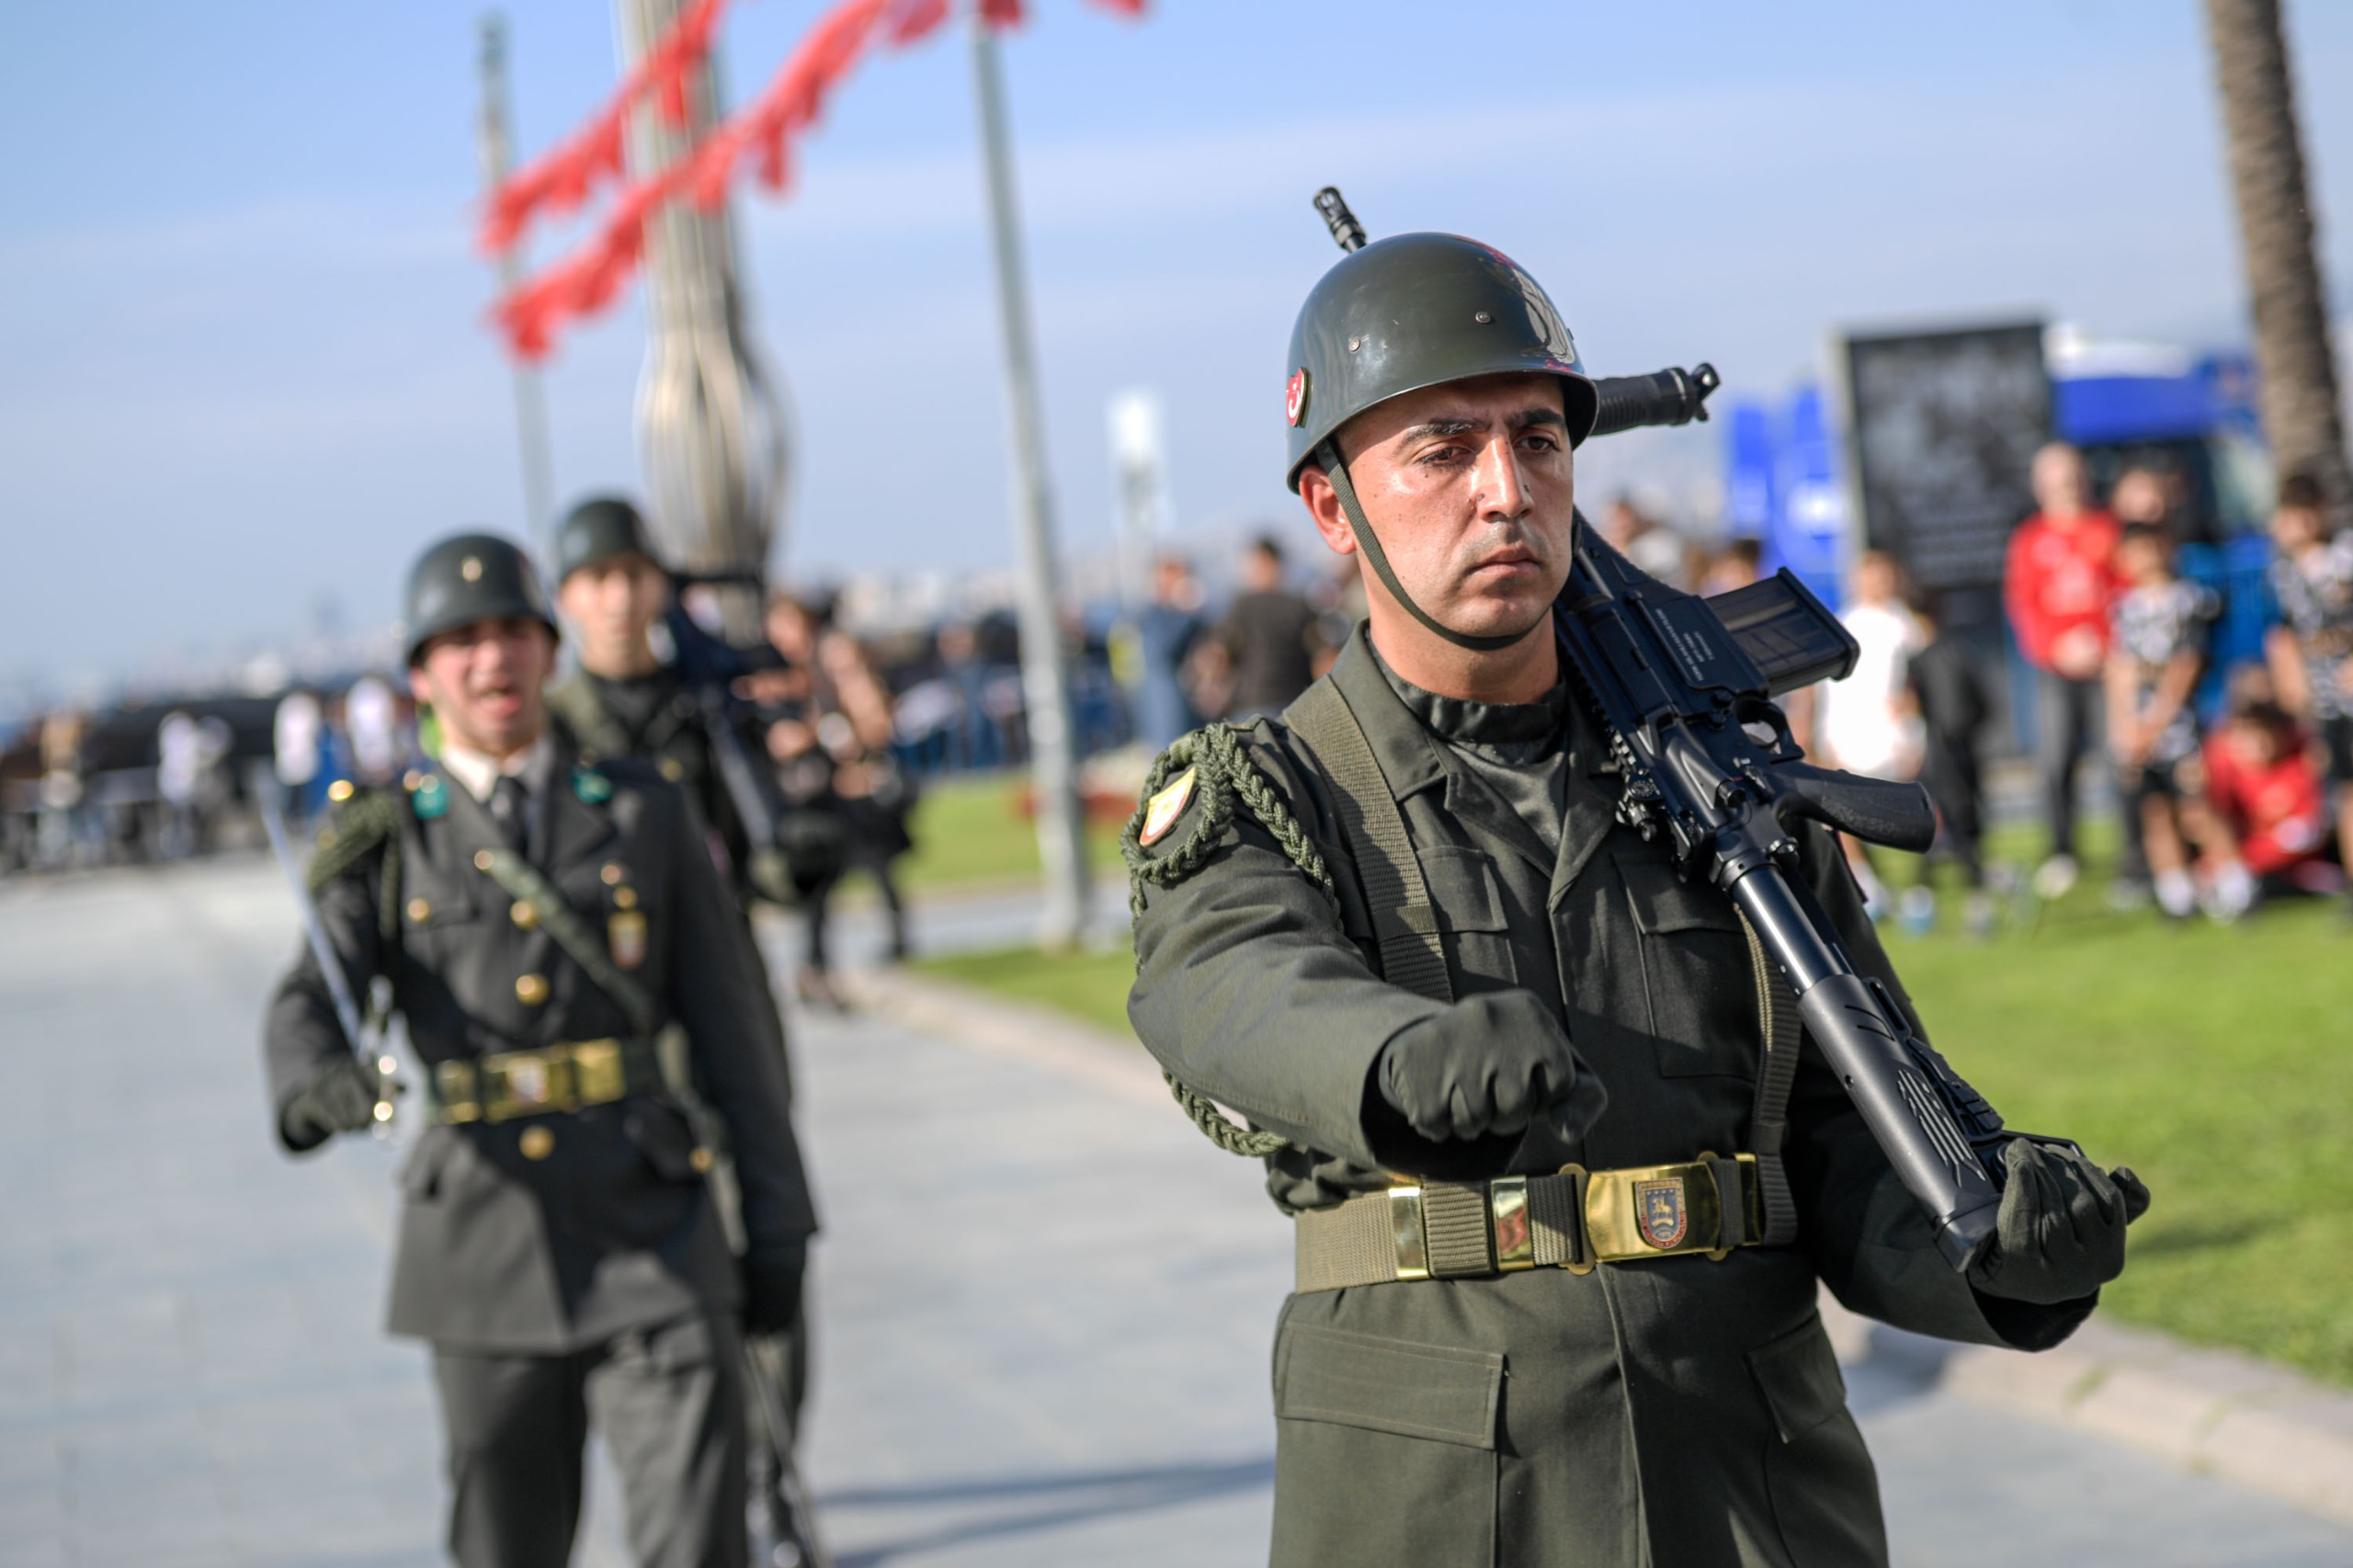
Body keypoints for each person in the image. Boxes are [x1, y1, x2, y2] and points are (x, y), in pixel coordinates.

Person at [1122, 227, 2144, 1568]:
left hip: (1750, 1467)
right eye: (1442, 450)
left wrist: (1994, 1250)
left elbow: (1841, 1129)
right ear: (1333, 507)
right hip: (1437, 1490)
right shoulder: (1270, 787)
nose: (1505, 490)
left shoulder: (1718, 772)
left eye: (1539, 441)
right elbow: (1222, 985)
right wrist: (1394, 1058)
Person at [262, 532, 815, 1568]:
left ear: (548, 651)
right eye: (461, 639)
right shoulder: (387, 836)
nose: (492, 659)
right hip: (481, 1248)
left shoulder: (645, 809)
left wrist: (779, 1220)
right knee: (505, 1544)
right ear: (423, 672)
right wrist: (316, 1085)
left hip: (656, 1230)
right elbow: (309, 998)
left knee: (700, 1540)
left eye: (513, 631)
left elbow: (734, 1035)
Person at [2004, 442, 2121, 898]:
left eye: (2072, 477)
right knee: (2055, 758)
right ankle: (2063, 852)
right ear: (2041, 486)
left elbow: (2125, 588)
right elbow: (2024, 607)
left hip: (2109, 665)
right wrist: (2056, 648)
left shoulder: (2106, 528)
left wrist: (2106, 645)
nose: (2066, 486)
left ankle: (2134, 855)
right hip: (2055, 666)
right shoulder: (2030, 539)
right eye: (2056, 479)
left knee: (2118, 758)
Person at [2104, 525, 2220, 919]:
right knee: (2154, 812)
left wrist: (2154, 724)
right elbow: (2119, 670)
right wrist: (2125, 727)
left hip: (2180, 725)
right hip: (2138, 730)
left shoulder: (2190, 599)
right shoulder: (2124, 607)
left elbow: (2185, 666)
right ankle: (2176, 895)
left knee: (2197, 807)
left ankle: (2230, 884)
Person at [1814, 550, 1925, 924]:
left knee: (1917, 814)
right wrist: (1828, 737)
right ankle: (1871, 890)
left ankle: (1920, 890)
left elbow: (1914, 684)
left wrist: (1912, 729)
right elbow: (1835, 691)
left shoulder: (1904, 625)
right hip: (1851, 735)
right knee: (1842, 816)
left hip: (1894, 736)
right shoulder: (1843, 624)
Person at [2263, 472, 2353, 923]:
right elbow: (2282, 634)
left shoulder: (2345, 556)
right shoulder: (2285, 574)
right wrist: (2289, 680)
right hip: (2325, 702)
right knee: (2342, 789)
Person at [1904, 591, 1997, 937]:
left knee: (1950, 823)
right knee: (1950, 822)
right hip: (1953, 752)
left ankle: (1973, 895)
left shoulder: (1930, 657)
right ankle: (1931, 895)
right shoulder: (1957, 652)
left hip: (1945, 754)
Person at [2201, 696, 2336, 907]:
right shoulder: (2228, 774)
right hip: (2247, 857)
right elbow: (2213, 820)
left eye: (2260, 737)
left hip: (2293, 865)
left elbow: (2305, 833)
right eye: (2243, 738)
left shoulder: (2301, 768)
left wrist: (2246, 860)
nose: (2253, 746)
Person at [1214, 536, 1326, 721]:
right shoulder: (1300, 605)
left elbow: (1220, 655)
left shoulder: (1241, 606)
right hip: (1294, 706)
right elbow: (1322, 659)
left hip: (1249, 706)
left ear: (1266, 563)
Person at [1129, 554, 1211, 750]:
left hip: (1190, 709)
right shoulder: (1154, 616)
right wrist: (1185, 610)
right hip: (1165, 713)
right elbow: (1162, 650)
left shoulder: (1192, 618)